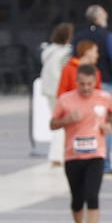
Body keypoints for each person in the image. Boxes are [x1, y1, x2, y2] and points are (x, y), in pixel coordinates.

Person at [51, 64, 112, 223]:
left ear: (95, 82)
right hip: (73, 155)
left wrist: (108, 125)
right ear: (76, 82)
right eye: (82, 84)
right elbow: (52, 124)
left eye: (89, 84)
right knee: (77, 200)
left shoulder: (104, 97)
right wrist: (67, 119)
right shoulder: (65, 99)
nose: (86, 88)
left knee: (92, 195)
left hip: (96, 154)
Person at [73, 5, 112, 174]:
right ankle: (105, 163)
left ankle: (83, 158)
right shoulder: (107, 35)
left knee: (84, 122)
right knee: (105, 123)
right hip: (107, 82)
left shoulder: (79, 35)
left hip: (83, 83)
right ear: (99, 18)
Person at [40, 21, 75, 164]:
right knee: (62, 123)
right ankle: (57, 156)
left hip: (48, 90)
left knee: (57, 122)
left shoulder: (49, 51)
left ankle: (58, 154)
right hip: (60, 91)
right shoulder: (66, 53)